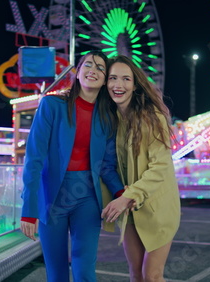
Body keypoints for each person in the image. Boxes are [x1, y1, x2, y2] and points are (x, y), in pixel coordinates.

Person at [20, 50, 124, 282]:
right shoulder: (51, 105)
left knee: (85, 270)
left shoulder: (108, 116)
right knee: (56, 272)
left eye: (100, 68)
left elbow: (106, 166)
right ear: (77, 72)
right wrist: (29, 210)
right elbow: (34, 159)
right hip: (51, 198)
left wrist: (122, 192)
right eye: (88, 65)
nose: (93, 71)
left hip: (88, 198)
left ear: (105, 78)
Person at [101, 55, 181, 282]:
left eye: (126, 79)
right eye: (113, 78)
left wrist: (129, 196)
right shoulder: (110, 119)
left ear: (135, 84)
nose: (119, 85)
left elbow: (160, 166)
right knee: (135, 275)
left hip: (158, 206)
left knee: (152, 275)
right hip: (130, 208)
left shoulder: (152, 117)